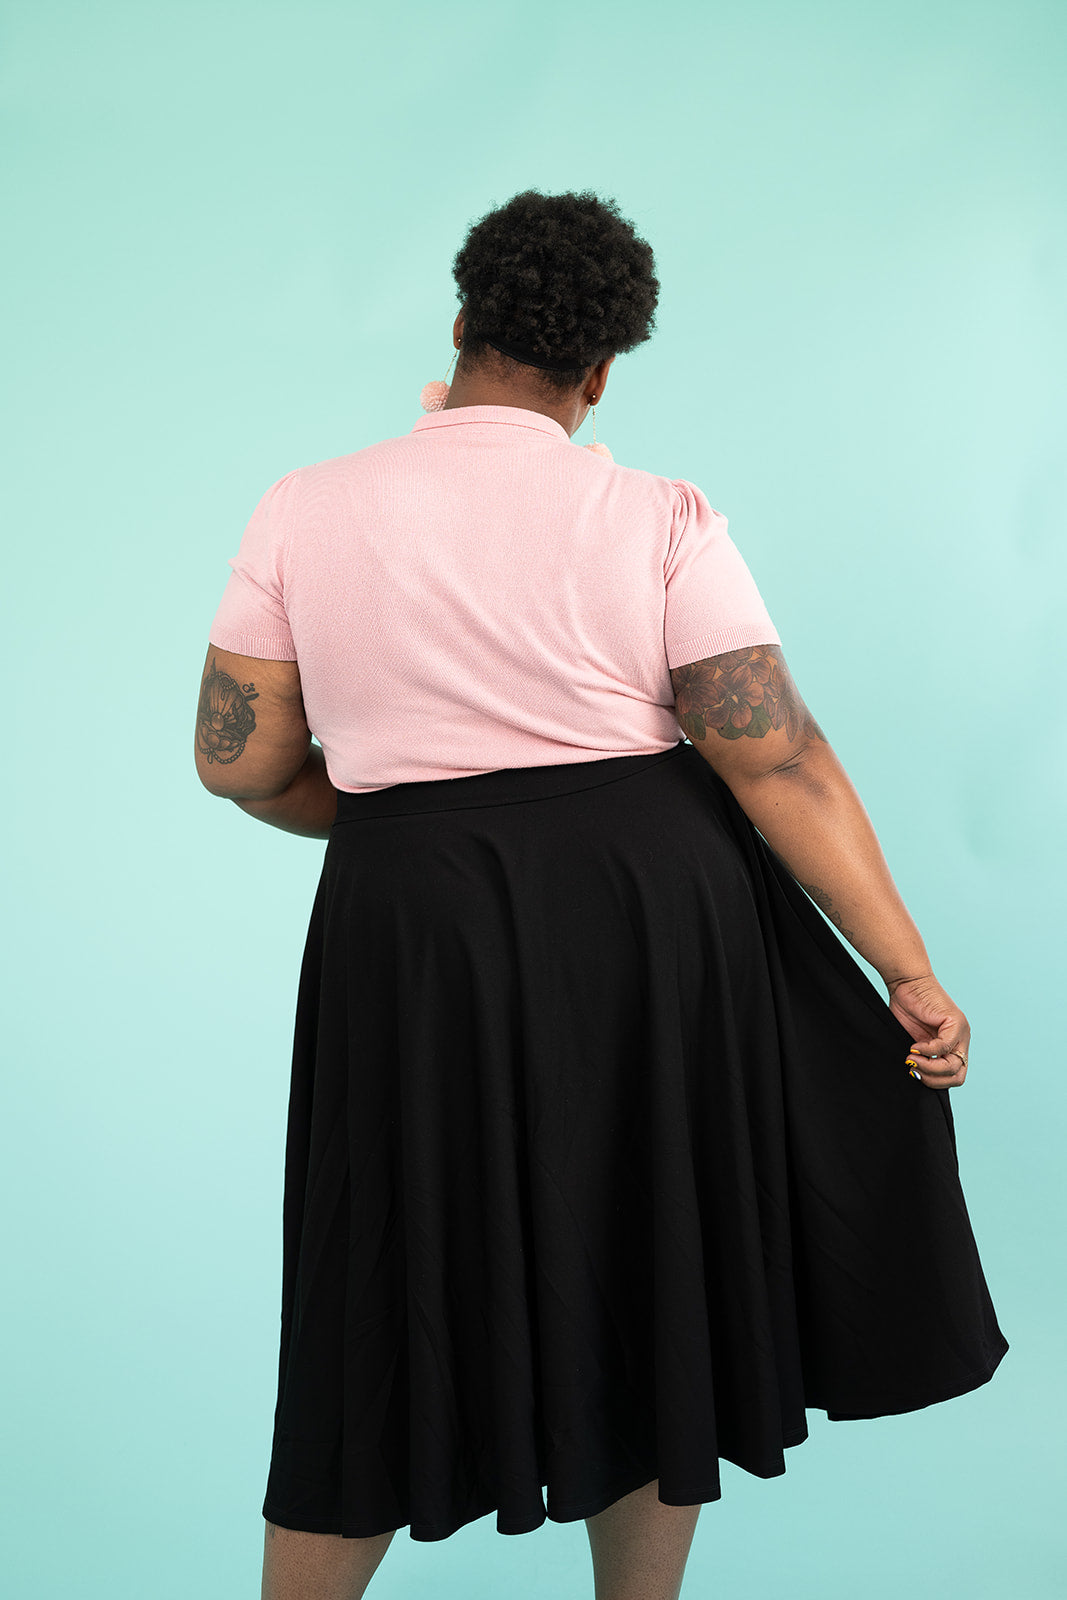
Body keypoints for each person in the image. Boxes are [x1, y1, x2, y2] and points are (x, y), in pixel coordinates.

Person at [194, 189, 1009, 1600]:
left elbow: (245, 764)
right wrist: (907, 971)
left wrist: (410, 822)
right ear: (601, 372)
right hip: (648, 929)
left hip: (412, 933)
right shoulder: (656, 514)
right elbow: (780, 763)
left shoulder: (303, 506)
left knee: (377, 1283)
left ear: (459, 330)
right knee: (649, 1254)